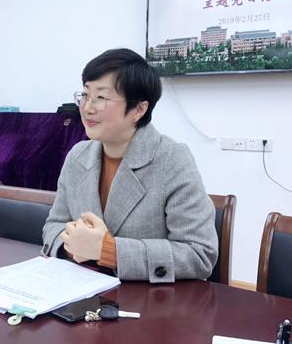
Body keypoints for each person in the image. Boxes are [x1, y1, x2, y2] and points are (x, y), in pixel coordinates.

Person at [42, 48, 217, 283]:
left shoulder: (172, 159)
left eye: (101, 98)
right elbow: (53, 225)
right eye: (85, 95)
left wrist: (109, 251)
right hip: (82, 290)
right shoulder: (77, 156)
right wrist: (73, 247)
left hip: (146, 298)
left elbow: (199, 253)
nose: (87, 108)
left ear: (139, 109)